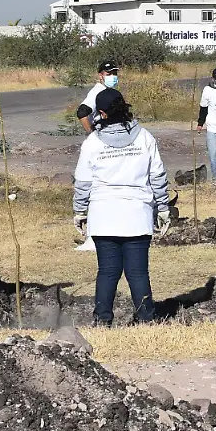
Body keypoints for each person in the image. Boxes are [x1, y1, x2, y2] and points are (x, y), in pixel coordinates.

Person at [72, 88, 171, 326]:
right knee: (138, 273)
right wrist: (163, 207)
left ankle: (103, 320)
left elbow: (83, 181)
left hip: (104, 217)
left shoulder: (93, 142)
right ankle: (146, 318)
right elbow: (158, 175)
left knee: (108, 272)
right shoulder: (144, 137)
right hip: (138, 215)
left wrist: (80, 211)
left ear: (101, 113)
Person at [77, 60, 121, 133]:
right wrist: (93, 134)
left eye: (115, 74)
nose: (113, 77)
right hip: (103, 133)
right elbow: (82, 112)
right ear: (101, 76)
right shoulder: (97, 92)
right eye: (109, 74)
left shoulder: (109, 91)